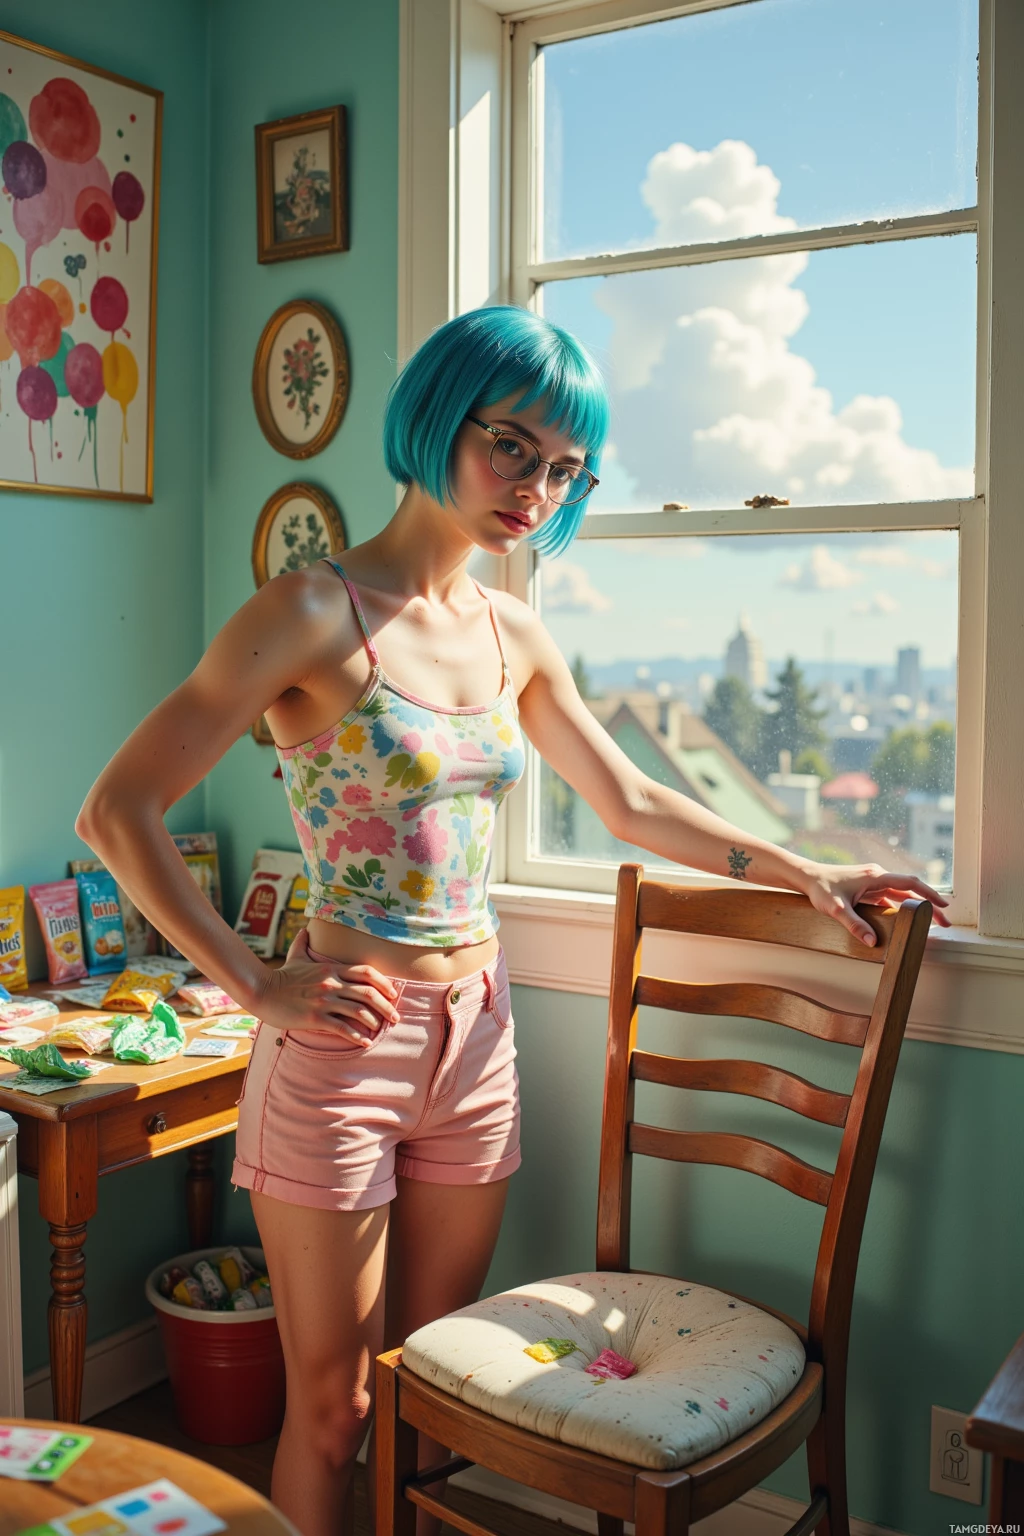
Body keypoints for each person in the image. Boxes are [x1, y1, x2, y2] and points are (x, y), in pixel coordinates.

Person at [76, 305, 948, 1536]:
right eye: (513, 448)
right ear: (440, 419)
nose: (537, 489)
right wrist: (250, 982)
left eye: (564, 470)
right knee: (329, 1410)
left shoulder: (514, 633)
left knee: (420, 1395)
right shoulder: (312, 612)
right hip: (338, 1048)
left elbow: (635, 799)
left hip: (476, 1046)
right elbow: (118, 811)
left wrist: (808, 873)